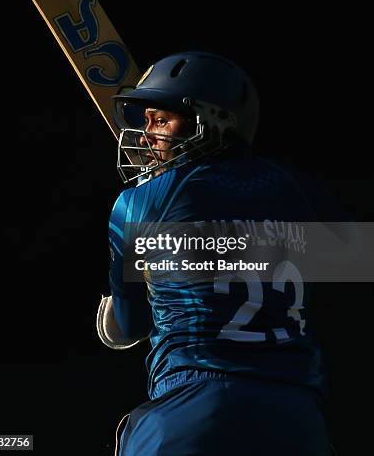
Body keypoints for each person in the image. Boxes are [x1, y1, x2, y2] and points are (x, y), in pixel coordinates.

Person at [96, 51, 337, 455]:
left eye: (160, 120)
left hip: (193, 407)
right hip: (298, 417)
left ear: (212, 121)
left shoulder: (143, 201)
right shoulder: (302, 190)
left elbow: (127, 325)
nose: (146, 134)